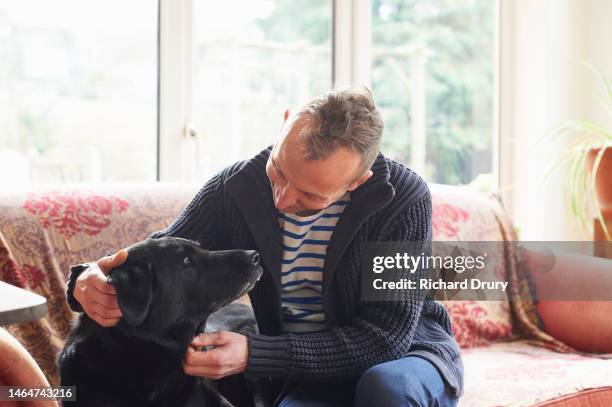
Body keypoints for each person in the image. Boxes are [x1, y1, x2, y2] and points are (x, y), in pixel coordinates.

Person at [66, 86, 463, 406]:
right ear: (285, 122)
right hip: (308, 376)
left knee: (383, 388)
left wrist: (255, 354)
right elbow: (160, 259)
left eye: (308, 195)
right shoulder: (236, 187)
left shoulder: (402, 198)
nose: (282, 199)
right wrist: (86, 280)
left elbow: (383, 338)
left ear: (356, 182)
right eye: (278, 171)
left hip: (406, 359)